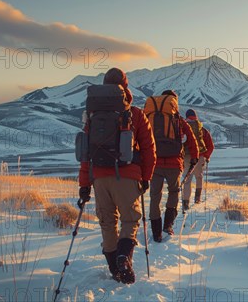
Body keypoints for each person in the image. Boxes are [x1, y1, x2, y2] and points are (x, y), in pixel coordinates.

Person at [78, 68, 156, 284]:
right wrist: (146, 177)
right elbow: (149, 149)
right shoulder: (135, 114)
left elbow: (85, 154)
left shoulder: (91, 117)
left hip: (99, 177)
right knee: (130, 219)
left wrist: (84, 185)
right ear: (125, 87)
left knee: (107, 222)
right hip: (127, 175)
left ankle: (115, 269)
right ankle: (124, 256)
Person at [145, 90, 199, 242]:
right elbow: (192, 140)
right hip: (174, 163)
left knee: (155, 196)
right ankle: (168, 225)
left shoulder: (150, 117)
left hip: (154, 163)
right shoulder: (178, 120)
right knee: (174, 192)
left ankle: (156, 232)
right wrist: (194, 157)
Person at [182, 109, 214, 209]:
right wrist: (206, 157)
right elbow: (210, 146)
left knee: (187, 179)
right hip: (199, 156)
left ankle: (185, 203)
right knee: (199, 177)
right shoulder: (202, 129)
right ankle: (197, 199)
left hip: (187, 157)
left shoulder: (183, 127)